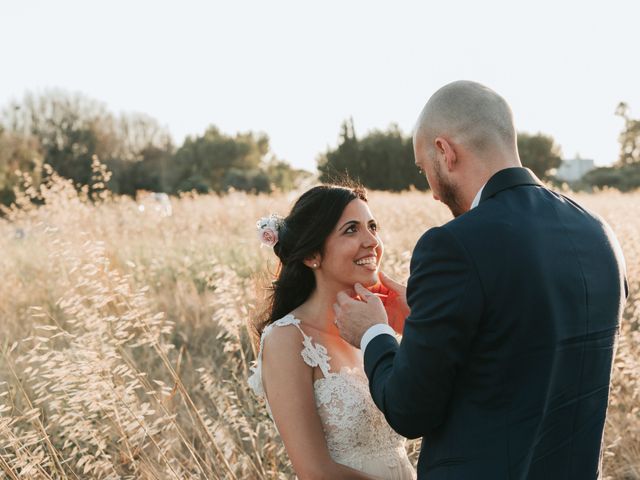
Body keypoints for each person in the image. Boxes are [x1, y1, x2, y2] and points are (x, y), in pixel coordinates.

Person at [334, 80, 629, 479]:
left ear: (445, 151)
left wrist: (374, 334)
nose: (434, 194)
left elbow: (409, 409)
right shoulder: (599, 234)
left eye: (425, 171)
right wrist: (425, 316)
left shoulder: (452, 246)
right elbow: (523, 350)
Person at [248, 185, 416, 479]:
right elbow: (316, 471)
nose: (372, 241)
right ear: (313, 254)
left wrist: (417, 325)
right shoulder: (287, 338)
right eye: (351, 230)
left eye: (372, 227)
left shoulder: (374, 331)